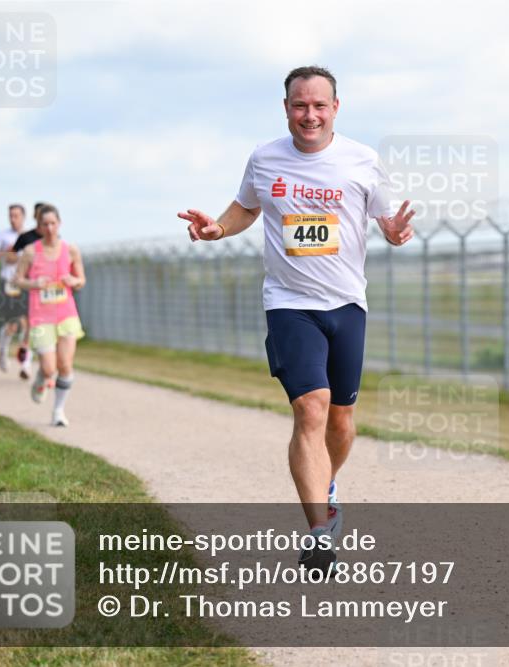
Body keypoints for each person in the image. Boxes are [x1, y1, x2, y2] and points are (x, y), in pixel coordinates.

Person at [179, 65, 414, 571]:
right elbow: (246, 208)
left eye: (319, 105)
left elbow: (386, 220)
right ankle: (319, 533)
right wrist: (218, 229)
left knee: (341, 420)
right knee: (311, 408)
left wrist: (394, 232)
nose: (310, 115)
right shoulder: (265, 159)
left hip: (347, 304)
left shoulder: (363, 160)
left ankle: (326, 484)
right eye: (300, 105)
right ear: (286, 108)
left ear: (336, 108)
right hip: (288, 303)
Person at [14, 204, 86, 427]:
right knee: (49, 368)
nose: (50, 228)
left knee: (65, 365)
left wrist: (73, 281)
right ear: (39, 226)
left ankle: (58, 411)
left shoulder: (70, 250)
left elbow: (81, 280)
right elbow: (18, 279)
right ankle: (42, 377)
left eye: (53, 223)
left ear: (59, 224)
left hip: (66, 314)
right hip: (41, 316)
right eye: (45, 224)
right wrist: (34, 283)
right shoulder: (30, 251)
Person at [11, 202, 47, 379]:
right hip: (29, 287)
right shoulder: (26, 238)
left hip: (48, 289)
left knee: (43, 327)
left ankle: (41, 363)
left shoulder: (55, 239)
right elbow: (10, 255)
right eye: (41, 215)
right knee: (31, 325)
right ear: (35, 216)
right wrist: (23, 260)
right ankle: (27, 363)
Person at [0, 204, 28, 372]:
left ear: (23, 217)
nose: (13, 219)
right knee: (12, 324)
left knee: (27, 322)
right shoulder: (3, 236)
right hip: (9, 283)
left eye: (16, 216)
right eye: (11, 216)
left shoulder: (30, 236)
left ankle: (25, 363)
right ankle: (3, 350)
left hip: (26, 283)